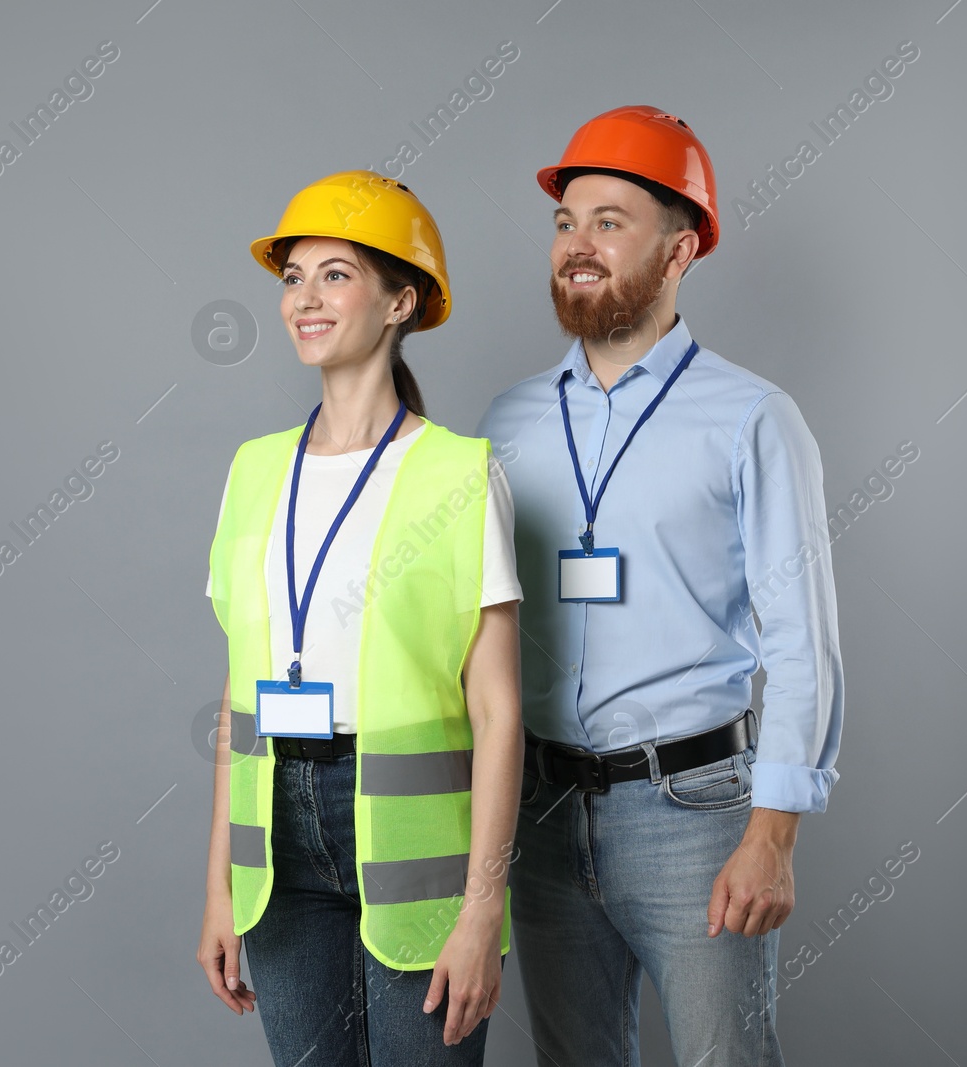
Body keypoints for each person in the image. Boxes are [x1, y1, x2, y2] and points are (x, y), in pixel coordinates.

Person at [475, 106, 845, 1066]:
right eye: (565, 223)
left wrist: (775, 834)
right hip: (543, 815)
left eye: (609, 221)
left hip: (695, 814)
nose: (577, 245)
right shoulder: (506, 422)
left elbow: (804, 639)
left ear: (681, 249)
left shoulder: (752, 417)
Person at [198, 170, 525, 1065]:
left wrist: (483, 908)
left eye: (335, 274)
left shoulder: (461, 472)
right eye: (292, 277)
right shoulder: (254, 470)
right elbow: (236, 695)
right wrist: (220, 888)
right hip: (277, 846)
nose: (305, 298)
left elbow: (498, 714)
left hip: (416, 846)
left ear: (400, 301)